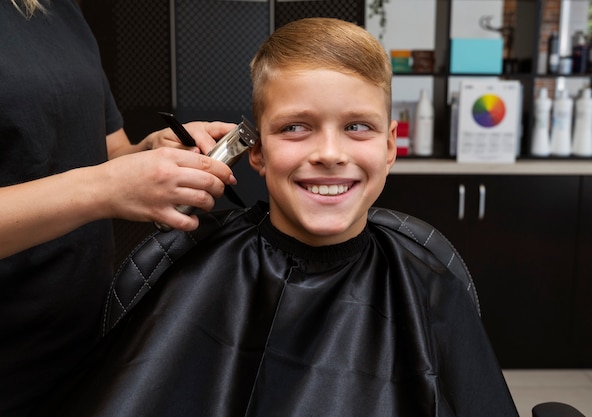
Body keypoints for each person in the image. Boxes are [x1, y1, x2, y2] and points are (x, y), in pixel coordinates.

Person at [33, 17, 519, 416]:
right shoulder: (196, 272)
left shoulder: (429, 285)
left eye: (357, 127)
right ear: (257, 151)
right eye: (296, 128)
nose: (330, 153)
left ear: (391, 146)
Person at [0, 1, 237, 415]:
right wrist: (106, 187)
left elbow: (107, 151)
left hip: (82, 344)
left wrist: (147, 152)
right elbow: (99, 181)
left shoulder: (62, 10)